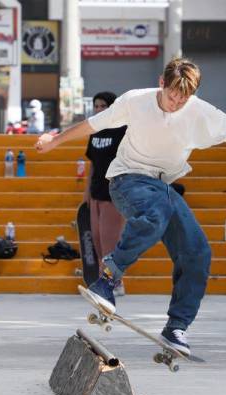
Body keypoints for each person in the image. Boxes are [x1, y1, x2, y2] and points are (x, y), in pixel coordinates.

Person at [35, 57, 226, 355]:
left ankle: (176, 327)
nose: (176, 103)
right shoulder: (135, 101)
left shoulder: (200, 112)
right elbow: (93, 125)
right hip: (126, 180)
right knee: (155, 213)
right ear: (161, 82)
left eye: (184, 99)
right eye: (172, 96)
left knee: (197, 251)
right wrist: (54, 141)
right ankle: (107, 278)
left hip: (162, 187)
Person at [84, 92, 127, 296]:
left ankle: (115, 283)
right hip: (96, 192)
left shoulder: (122, 131)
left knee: (110, 241)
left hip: (114, 192)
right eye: (96, 106)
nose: (99, 110)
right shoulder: (95, 132)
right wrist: (87, 192)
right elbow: (92, 164)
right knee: (98, 239)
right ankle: (105, 280)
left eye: (103, 106)